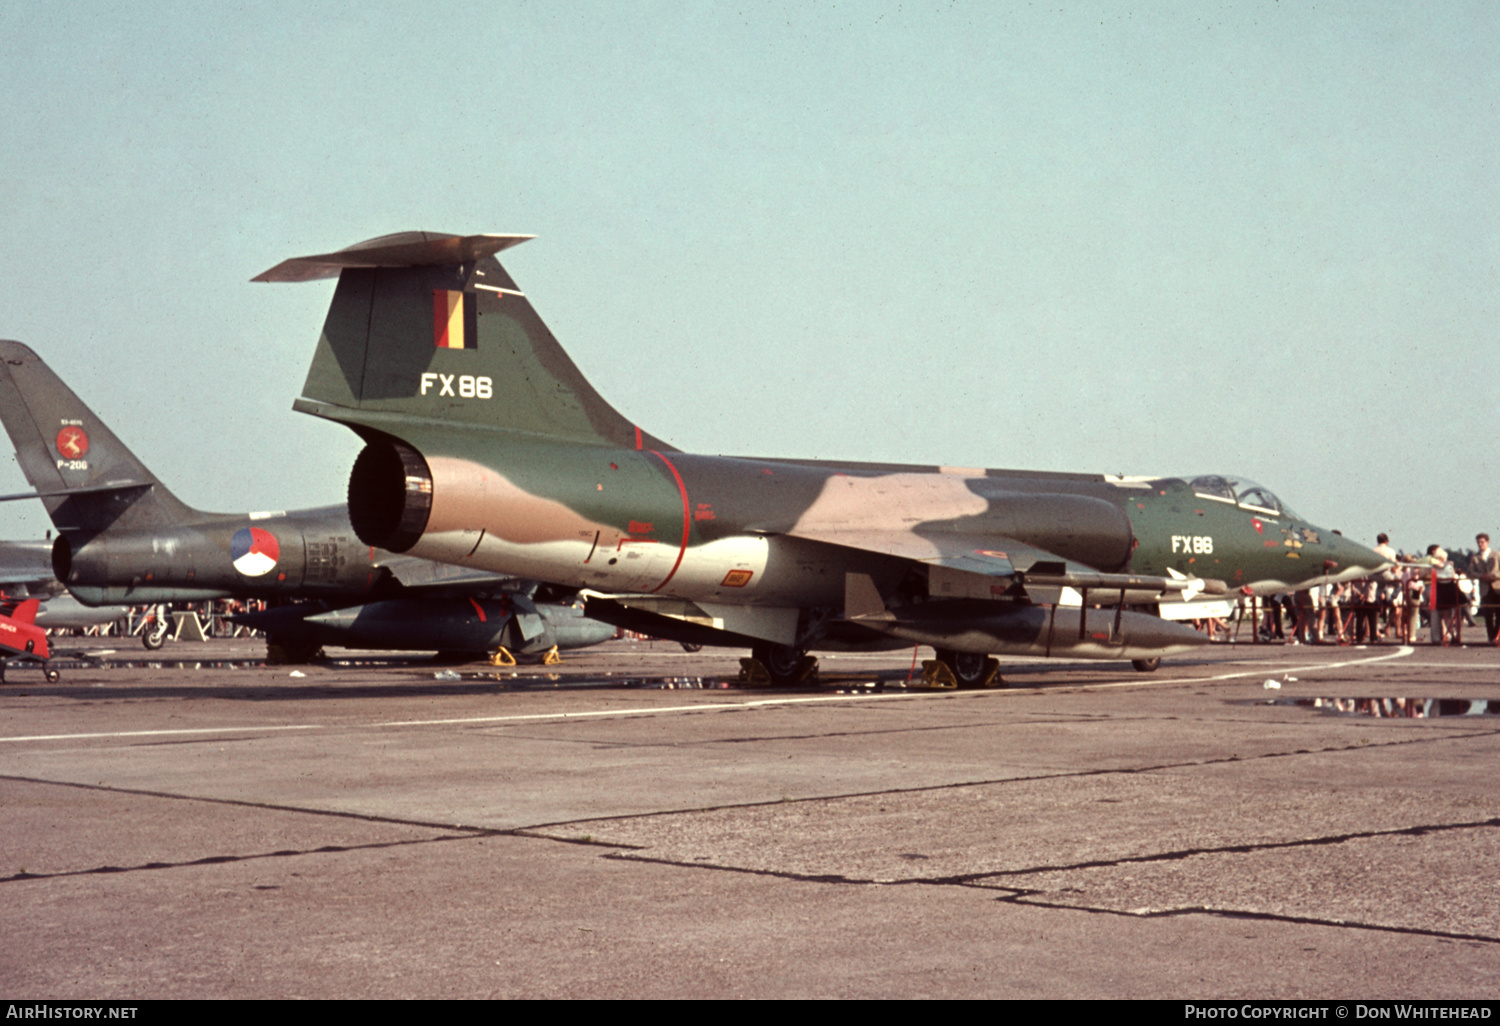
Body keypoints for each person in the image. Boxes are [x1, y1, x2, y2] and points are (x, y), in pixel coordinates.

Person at [1474, 533, 1500, 644]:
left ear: (1487, 542)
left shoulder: (1496, 554)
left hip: (1497, 587)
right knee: (1488, 614)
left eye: (1482, 542)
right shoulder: (1475, 557)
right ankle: (1491, 637)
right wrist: (1481, 576)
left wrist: (1493, 576)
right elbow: (1471, 572)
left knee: (1499, 613)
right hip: (1485, 589)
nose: (1480, 544)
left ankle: (1497, 636)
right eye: (1478, 542)